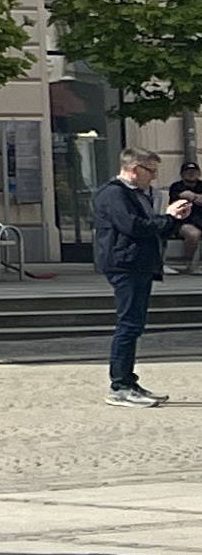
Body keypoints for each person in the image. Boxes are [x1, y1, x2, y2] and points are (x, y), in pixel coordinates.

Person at [92, 149, 198, 405]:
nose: (153, 176)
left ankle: (129, 381)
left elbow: (151, 227)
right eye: (150, 170)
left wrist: (172, 220)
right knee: (128, 325)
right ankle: (119, 386)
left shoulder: (136, 194)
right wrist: (169, 217)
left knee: (135, 324)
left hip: (139, 263)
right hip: (124, 264)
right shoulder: (114, 193)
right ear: (134, 168)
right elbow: (133, 227)